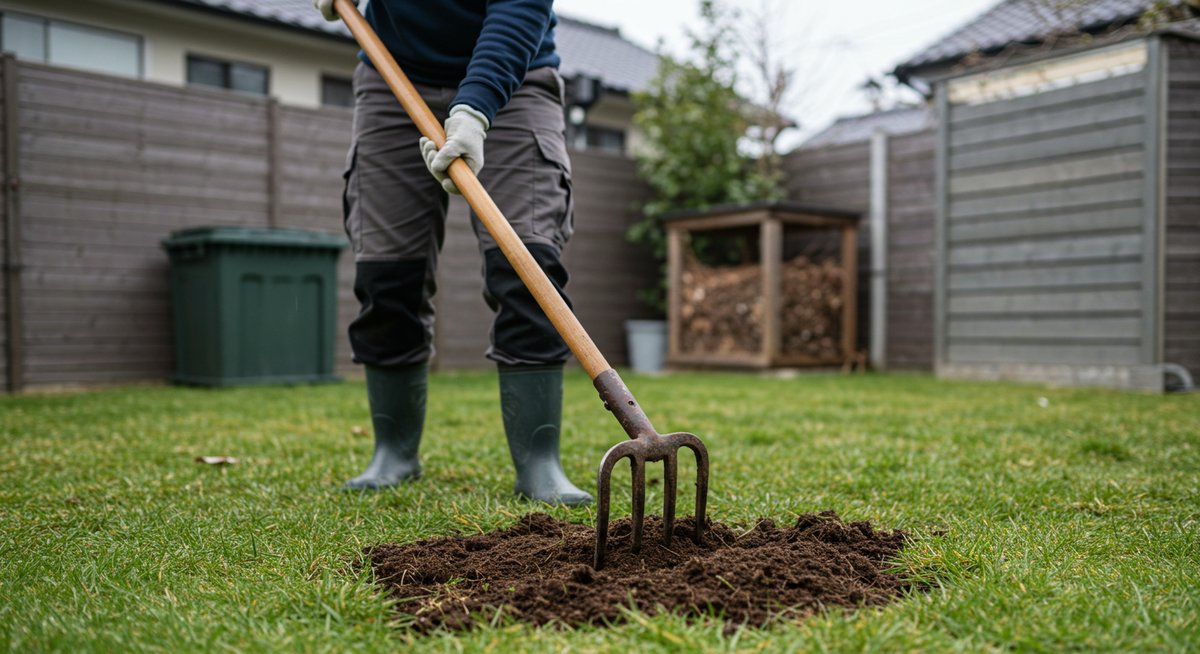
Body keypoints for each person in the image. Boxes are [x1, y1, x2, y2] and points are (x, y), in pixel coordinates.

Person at [313, 0, 591, 505]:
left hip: (516, 78)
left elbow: (520, 8)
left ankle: (539, 464)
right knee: (386, 270)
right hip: (393, 75)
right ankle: (394, 453)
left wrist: (476, 106)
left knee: (528, 266)